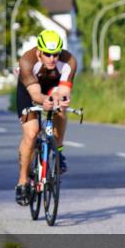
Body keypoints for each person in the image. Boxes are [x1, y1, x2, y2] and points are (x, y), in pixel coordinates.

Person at [14, 29, 78, 205]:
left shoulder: (69, 61)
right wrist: (44, 101)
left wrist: (62, 100)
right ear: (39, 52)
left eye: (56, 54)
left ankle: (58, 151)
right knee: (32, 132)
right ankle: (22, 181)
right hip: (30, 90)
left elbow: (64, 89)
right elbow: (35, 94)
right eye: (48, 54)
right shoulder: (27, 61)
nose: (52, 58)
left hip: (53, 86)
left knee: (60, 109)